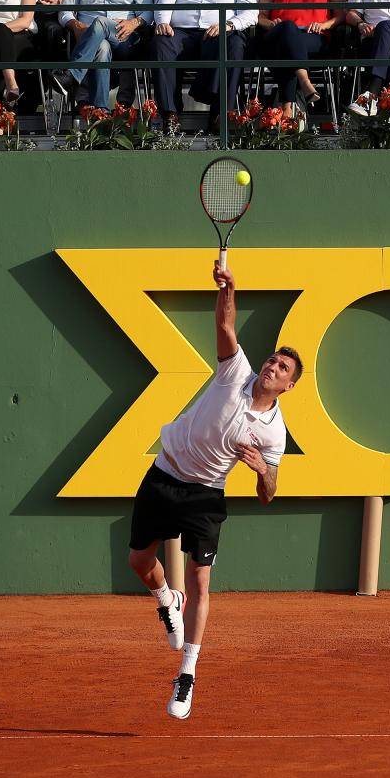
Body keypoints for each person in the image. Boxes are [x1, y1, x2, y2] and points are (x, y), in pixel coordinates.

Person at [125, 258, 298, 721]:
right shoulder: (234, 372)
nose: (272, 366)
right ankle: (167, 600)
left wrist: (263, 470)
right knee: (140, 561)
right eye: (272, 360)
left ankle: (188, 673)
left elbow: (269, 494)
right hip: (165, 474)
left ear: (289, 385)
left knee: (202, 582)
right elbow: (225, 322)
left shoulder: (274, 433)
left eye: (282, 368)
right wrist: (229, 286)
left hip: (204, 496)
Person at [153, 0, 256, 123]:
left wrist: (229, 25)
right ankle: (170, 114)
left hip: (218, 33)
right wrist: (163, 22)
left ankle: (221, 114)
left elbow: (250, 10)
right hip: (182, 33)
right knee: (161, 42)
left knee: (234, 44)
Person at [258, 0, 344, 108]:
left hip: (314, 36)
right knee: (288, 28)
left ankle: (288, 107)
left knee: (287, 48)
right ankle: (305, 81)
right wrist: (271, 24)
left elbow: (341, 15)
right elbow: (259, 15)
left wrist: (323, 25)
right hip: (277, 33)